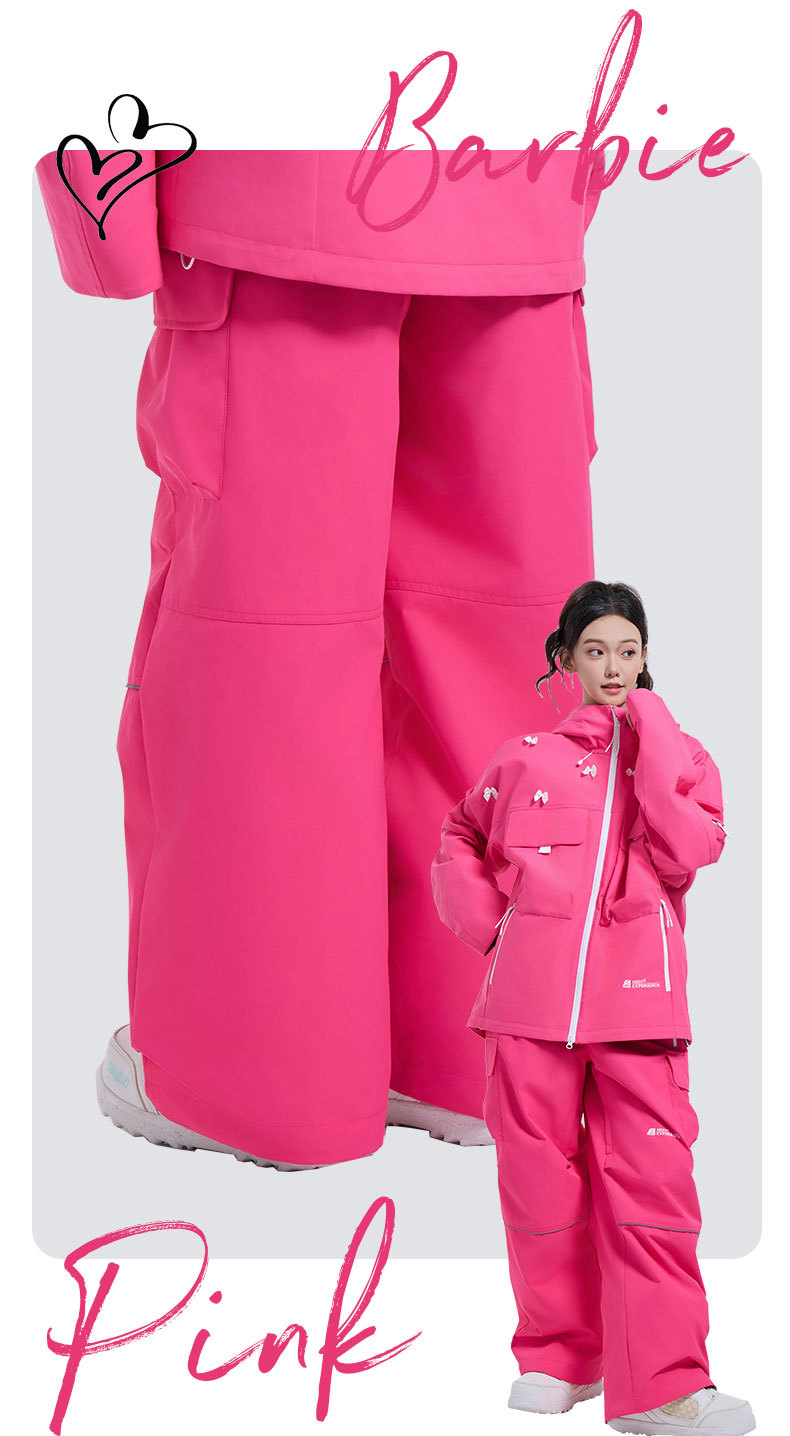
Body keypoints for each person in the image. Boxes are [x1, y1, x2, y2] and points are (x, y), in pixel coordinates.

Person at [36, 145, 605, 1169]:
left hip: (279, 207)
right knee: (502, 645)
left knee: (266, 654)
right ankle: (475, 1058)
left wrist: (103, 226)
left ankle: (252, 1081)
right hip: (515, 203)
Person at [431, 580, 755, 1434]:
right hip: (528, 1009)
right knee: (537, 1188)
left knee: (653, 1192)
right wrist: (493, 928)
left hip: (639, 1013)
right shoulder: (525, 759)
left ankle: (664, 1386)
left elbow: (689, 851)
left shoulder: (684, 757)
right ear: (566, 660)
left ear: (646, 659)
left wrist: (652, 730)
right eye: (597, 651)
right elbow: (460, 834)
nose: (614, 667)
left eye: (629, 651)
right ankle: (558, 1356)